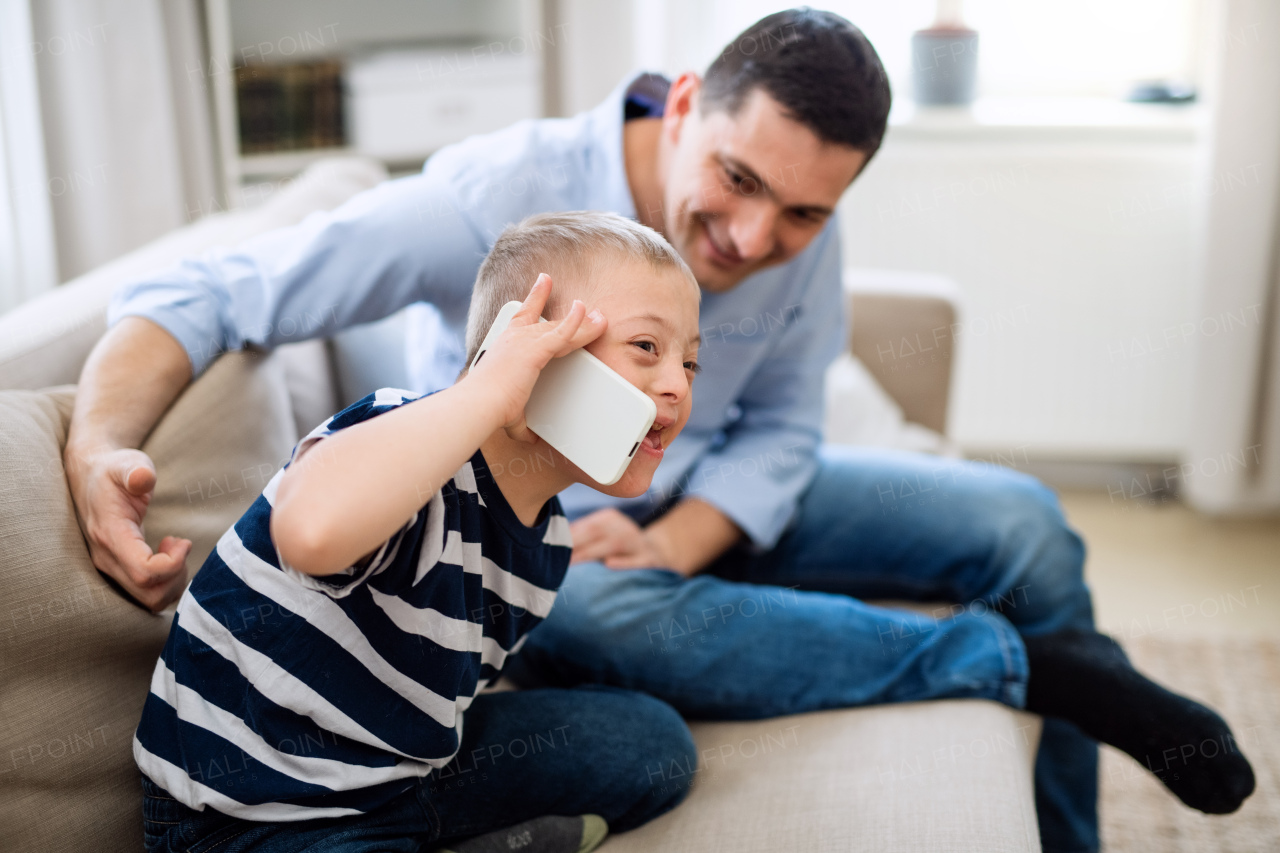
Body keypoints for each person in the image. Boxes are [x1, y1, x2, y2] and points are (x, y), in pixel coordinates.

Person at [70, 10, 1252, 852]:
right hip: (515, 526)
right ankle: (1005, 663)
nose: (750, 237)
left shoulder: (794, 225)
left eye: (800, 212)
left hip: (674, 509)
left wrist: (690, 528)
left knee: (1025, 522)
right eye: (734, 181)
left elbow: (786, 425)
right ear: (682, 102)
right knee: (604, 603)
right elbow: (212, 295)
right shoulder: (502, 203)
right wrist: (96, 446)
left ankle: (1065, 807)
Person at [133, 212, 704, 853]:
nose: (678, 385)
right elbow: (311, 534)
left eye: (690, 363)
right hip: (249, 814)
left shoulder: (550, 548)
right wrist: (489, 389)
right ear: (531, 346)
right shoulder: (398, 440)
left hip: (397, 778)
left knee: (651, 744)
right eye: (648, 349)